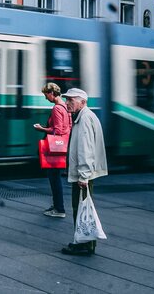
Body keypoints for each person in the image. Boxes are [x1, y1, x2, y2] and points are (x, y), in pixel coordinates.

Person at [60, 87, 107, 256]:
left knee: (81, 209)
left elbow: (86, 150)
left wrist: (84, 176)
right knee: (83, 208)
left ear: (83, 102)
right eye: (67, 100)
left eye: (71, 100)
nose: (67, 103)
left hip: (83, 175)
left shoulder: (85, 119)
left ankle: (84, 244)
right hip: (83, 173)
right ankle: (84, 242)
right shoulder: (84, 117)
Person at [34, 82, 71, 218]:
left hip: (55, 149)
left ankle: (59, 209)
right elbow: (67, 127)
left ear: (51, 93)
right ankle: (57, 205)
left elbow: (57, 130)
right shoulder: (66, 107)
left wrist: (41, 129)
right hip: (63, 146)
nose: (45, 98)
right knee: (56, 177)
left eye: (46, 95)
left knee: (54, 178)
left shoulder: (56, 108)